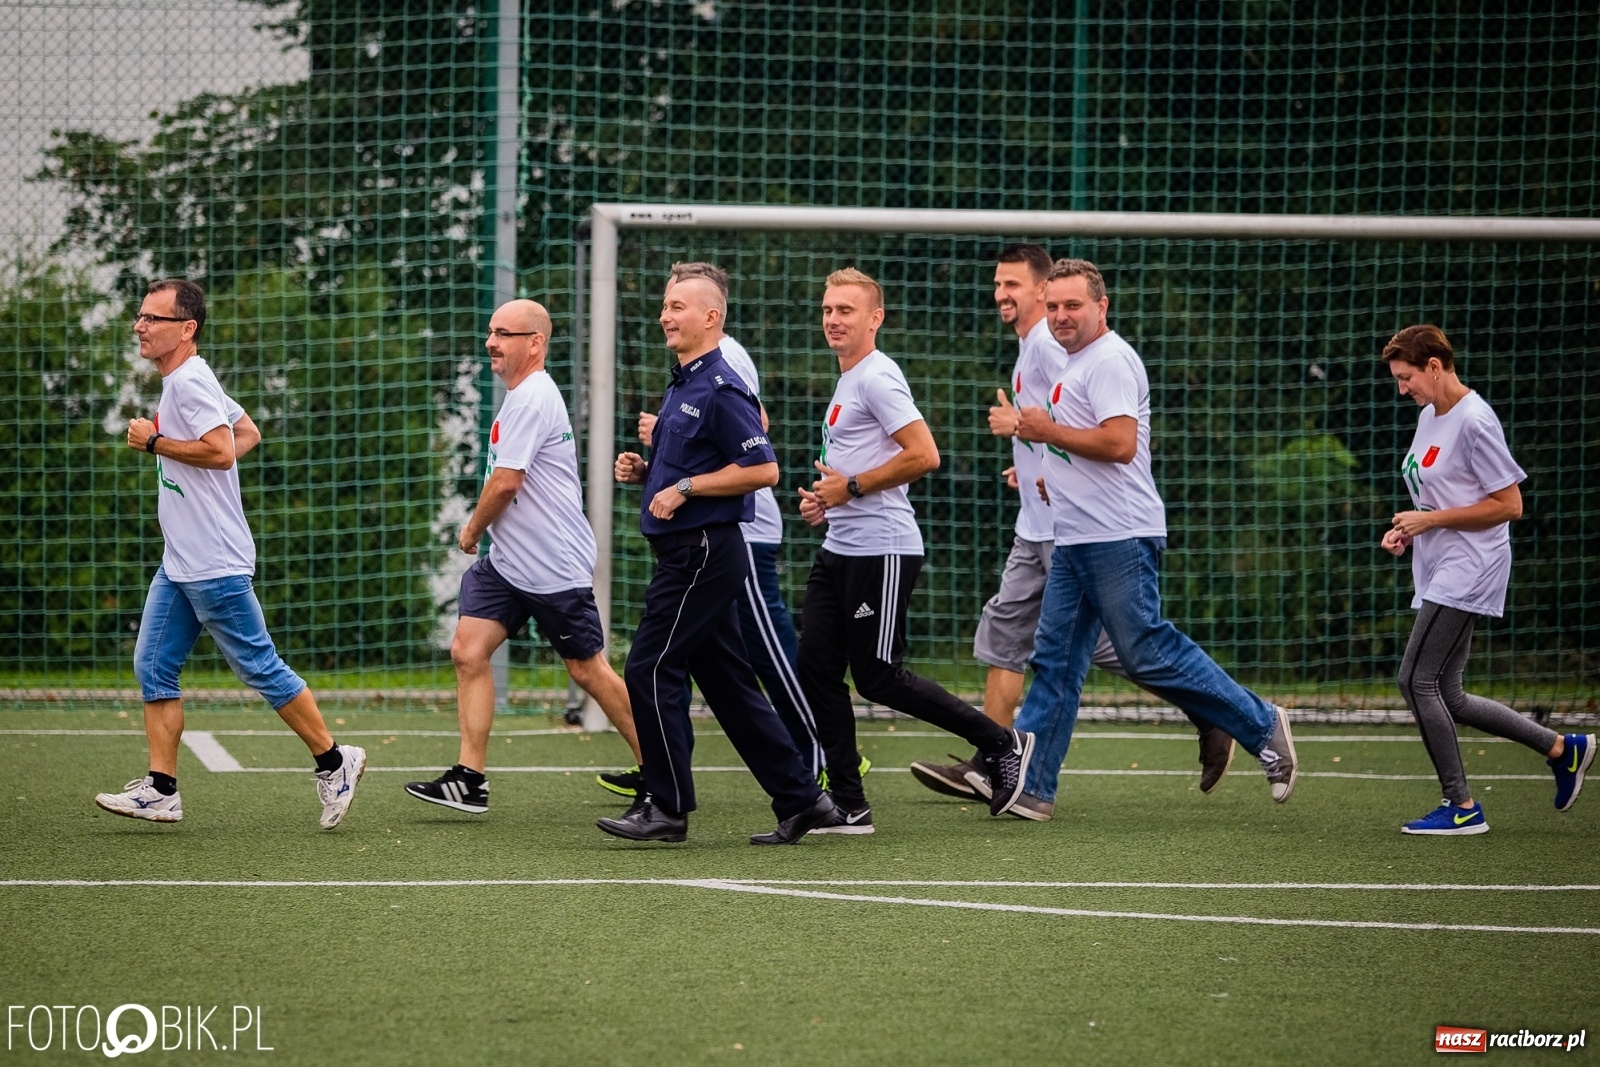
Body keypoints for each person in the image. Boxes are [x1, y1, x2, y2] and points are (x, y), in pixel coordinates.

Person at [909, 245, 1236, 803]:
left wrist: (1030, 438)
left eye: (1013, 285)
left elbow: (1083, 420)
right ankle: (998, 761)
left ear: (1042, 292)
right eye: (997, 285)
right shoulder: (1033, 347)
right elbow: (1062, 421)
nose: (1001, 295)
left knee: (1104, 645)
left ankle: (1000, 762)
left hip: (1071, 528)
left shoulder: (1051, 345)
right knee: (1018, 633)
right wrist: (1034, 464)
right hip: (1040, 523)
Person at [1008, 259, 1298, 820]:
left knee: (1146, 651)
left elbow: (1119, 443)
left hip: (1118, 533)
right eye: (1055, 307)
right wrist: (1048, 466)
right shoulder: (1074, 363)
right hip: (1075, 537)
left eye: (1074, 306)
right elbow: (1091, 442)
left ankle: (1263, 725)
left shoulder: (1110, 359)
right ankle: (1033, 787)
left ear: (1101, 307)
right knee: (1056, 659)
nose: (1062, 316)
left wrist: (1045, 433)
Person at [94, 279, 365, 829]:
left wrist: (154, 444)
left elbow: (221, 451)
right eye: (140, 317)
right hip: (181, 561)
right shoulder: (188, 378)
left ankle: (336, 761)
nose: (140, 326)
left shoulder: (190, 381)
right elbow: (247, 432)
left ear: (186, 329)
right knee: (153, 666)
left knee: (260, 668)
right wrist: (195, 472)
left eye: (153, 319)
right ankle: (161, 790)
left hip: (214, 563)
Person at [796, 267, 1035, 829]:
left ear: (874, 318)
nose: (833, 319)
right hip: (841, 547)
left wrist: (851, 487)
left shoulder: (879, 376)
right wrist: (828, 501)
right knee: (815, 668)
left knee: (878, 676)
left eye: (846, 310)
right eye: (828, 309)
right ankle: (849, 805)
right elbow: (856, 468)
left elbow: (924, 454)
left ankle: (1001, 743)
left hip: (882, 551)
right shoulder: (848, 379)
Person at [601, 274, 836, 844]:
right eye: (663, 305)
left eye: (677, 306)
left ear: (712, 318)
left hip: (702, 553)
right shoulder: (684, 383)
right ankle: (804, 799)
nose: (665, 314)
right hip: (689, 550)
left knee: (649, 667)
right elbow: (693, 459)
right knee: (728, 684)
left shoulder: (722, 387)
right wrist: (648, 470)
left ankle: (666, 807)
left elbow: (763, 470)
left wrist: (685, 490)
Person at [404, 300, 642, 814]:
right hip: (509, 564)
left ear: (535, 343)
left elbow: (507, 481)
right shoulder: (519, 395)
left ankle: (660, 772)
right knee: (468, 651)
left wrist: (471, 529)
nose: (492, 341)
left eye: (504, 334)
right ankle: (469, 779)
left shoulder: (533, 396)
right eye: (490, 331)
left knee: (587, 670)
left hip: (552, 564)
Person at [1380, 324, 1592, 834]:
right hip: (1441, 560)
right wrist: (1411, 529)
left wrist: (1428, 521)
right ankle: (1563, 749)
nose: (1402, 388)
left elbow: (1509, 505)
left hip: (1472, 564)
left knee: (1415, 680)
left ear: (1435, 366)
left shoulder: (1475, 420)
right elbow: (1442, 492)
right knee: (1447, 692)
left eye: (1407, 377)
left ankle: (1462, 806)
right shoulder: (1431, 414)